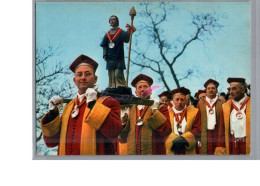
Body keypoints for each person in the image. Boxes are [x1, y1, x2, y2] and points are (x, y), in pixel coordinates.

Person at [40, 54, 123, 155]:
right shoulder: (68, 107)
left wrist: (93, 105)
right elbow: (50, 142)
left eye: (87, 74)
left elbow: (114, 132)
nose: (83, 78)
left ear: (95, 79)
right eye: (79, 74)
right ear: (74, 80)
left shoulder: (109, 102)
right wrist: (52, 114)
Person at [118, 74, 172, 155]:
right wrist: (123, 122)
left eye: (145, 87)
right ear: (136, 92)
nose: (143, 89)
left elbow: (166, 131)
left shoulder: (160, 107)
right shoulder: (130, 108)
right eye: (139, 87)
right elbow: (122, 138)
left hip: (155, 154)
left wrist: (155, 111)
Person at [215, 78, 251, 155]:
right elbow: (222, 130)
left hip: (249, 145)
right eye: (230, 89)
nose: (230, 92)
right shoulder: (225, 106)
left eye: (234, 89)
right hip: (232, 146)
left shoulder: (253, 103)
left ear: (243, 90)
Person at [100, 15, 136, 89]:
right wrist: (104, 55)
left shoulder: (121, 32)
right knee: (111, 73)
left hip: (119, 56)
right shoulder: (107, 34)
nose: (112, 21)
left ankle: (120, 84)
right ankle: (111, 85)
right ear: (109, 22)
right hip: (109, 56)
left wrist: (129, 30)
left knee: (118, 72)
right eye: (111, 20)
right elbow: (104, 45)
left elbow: (126, 39)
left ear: (117, 21)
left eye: (114, 19)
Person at [165, 87, 201, 155]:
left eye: (182, 99)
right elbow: (164, 131)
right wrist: (173, 140)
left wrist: (185, 138)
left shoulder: (194, 112)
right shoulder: (167, 113)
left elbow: (198, 129)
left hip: (188, 147)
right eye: (177, 99)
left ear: (186, 101)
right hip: (172, 147)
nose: (179, 102)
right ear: (173, 101)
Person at [196, 79, 223, 155]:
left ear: (216, 90)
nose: (211, 90)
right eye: (209, 88)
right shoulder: (200, 103)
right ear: (206, 90)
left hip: (217, 132)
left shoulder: (222, 103)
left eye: (213, 88)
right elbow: (197, 120)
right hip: (205, 132)